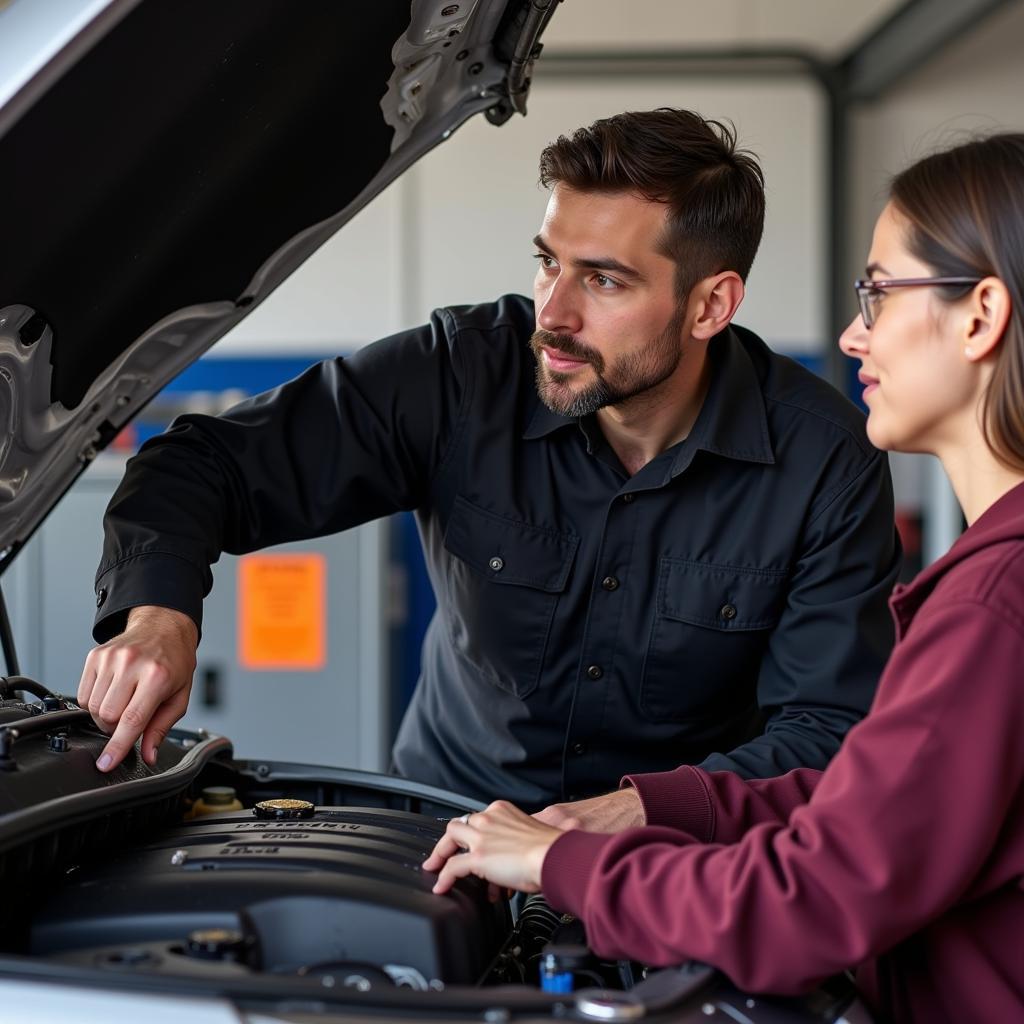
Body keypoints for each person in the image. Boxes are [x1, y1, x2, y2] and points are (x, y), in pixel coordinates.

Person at [78, 108, 900, 816]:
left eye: (604, 281)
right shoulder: (461, 375)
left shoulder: (823, 459)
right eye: (548, 261)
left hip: (672, 864)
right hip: (445, 829)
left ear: (710, 304)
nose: (554, 312)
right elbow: (198, 465)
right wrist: (157, 617)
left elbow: (825, 728)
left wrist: (622, 818)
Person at [424, 133, 1024, 1022]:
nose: (854, 332)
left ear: (979, 315)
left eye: (879, 293)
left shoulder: (993, 607)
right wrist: (654, 808)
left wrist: (561, 866)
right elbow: (880, 799)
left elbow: (815, 899)